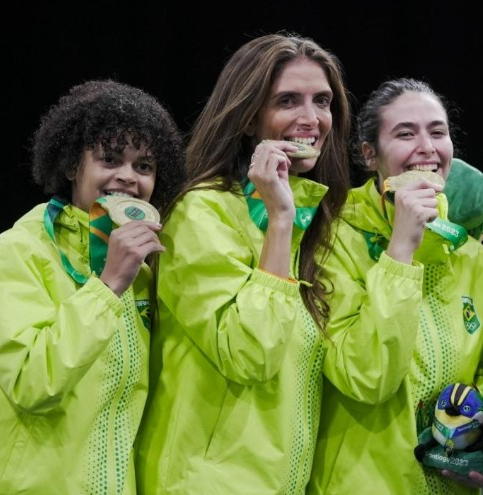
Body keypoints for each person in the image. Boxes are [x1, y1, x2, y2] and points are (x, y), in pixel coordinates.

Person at [134, 33, 352, 494]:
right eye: (287, 101)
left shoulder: (312, 221)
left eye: (322, 101)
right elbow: (250, 354)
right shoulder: (201, 211)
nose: (311, 118)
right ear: (249, 118)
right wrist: (280, 221)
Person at [0, 79, 185, 494]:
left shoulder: (143, 277)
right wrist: (107, 287)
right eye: (109, 159)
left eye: (144, 166)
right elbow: (32, 382)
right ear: (73, 165)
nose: (128, 177)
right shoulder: (17, 252)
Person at [308, 77, 483, 494]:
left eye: (437, 132)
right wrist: (400, 250)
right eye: (405, 134)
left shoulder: (471, 254)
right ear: (369, 154)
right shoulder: (330, 238)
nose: (427, 148)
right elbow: (367, 377)